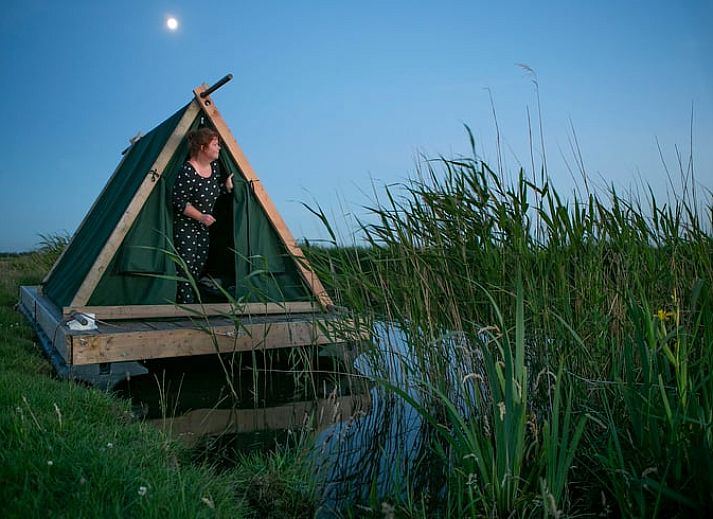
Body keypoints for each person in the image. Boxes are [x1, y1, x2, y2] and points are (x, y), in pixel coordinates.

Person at [172, 127, 233, 304]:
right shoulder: (188, 171)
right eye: (215, 144)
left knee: (199, 265)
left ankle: (194, 304)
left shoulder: (214, 168)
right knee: (185, 267)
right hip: (186, 226)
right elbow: (178, 201)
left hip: (202, 227)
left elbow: (211, 193)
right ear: (202, 147)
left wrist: (226, 187)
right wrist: (201, 217)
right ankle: (186, 307)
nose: (218, 148)